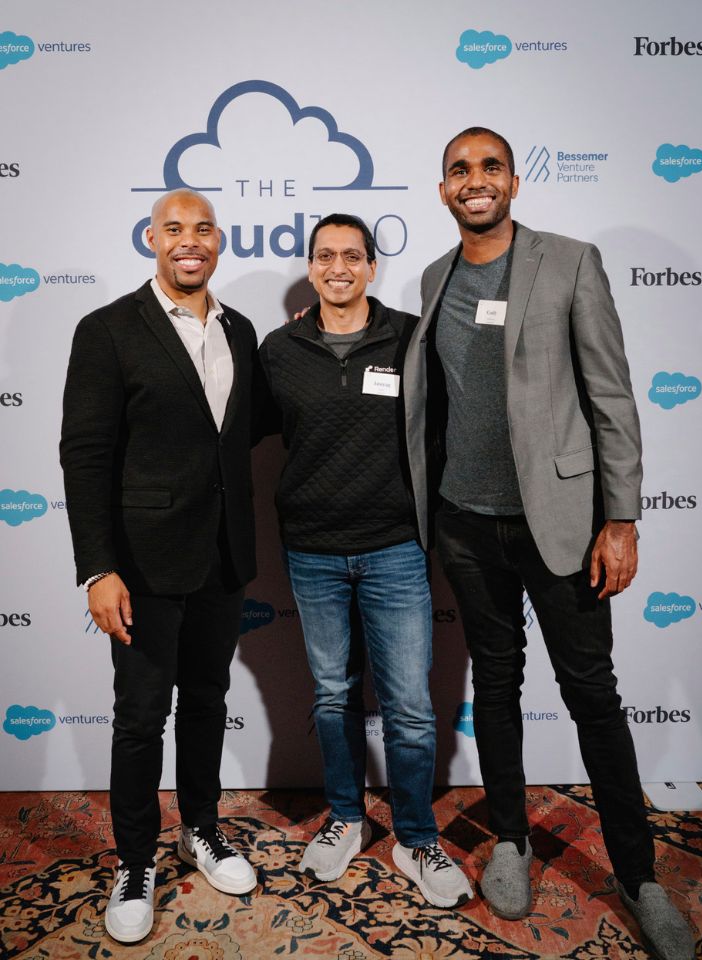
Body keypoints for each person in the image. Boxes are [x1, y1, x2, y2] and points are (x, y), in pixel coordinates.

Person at [403, 128, 695, 959]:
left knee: (592, 695)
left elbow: (611, 395)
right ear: (442, 190)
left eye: (489, 167)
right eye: (459, 170)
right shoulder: (434, 278)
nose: (475, 181)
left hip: (560, 526)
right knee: (494, 686)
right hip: (465, 522)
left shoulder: (569, 261)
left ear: (515, 181)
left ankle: (639, 877)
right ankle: (509, 840)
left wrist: (622, 519)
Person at [60, 189, 260, 944]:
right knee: (142, 719)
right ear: (151, 238)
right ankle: (136, 860)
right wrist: (96, 568)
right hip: (141, 566)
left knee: (207, 701)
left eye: (202, 229)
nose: (189, 241)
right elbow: (84, 455)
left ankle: (200, 830)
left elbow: (250, 427)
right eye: (174, 228)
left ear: (218, 241)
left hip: (222, 558)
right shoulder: (107, 329)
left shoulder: (239, 328)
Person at [259, 213, 472, 908]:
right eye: (326, 256)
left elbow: (450, 426)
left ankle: (415, 836)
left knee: (410, 706)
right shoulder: (280, 348)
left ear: (373, 267)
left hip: (395, 550)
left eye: (353, 255)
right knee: (331, 695)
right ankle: (346, 817)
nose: (339, 266)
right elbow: (243, 433)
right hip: (313, 552)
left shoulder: (411, 338)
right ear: (312, 268)